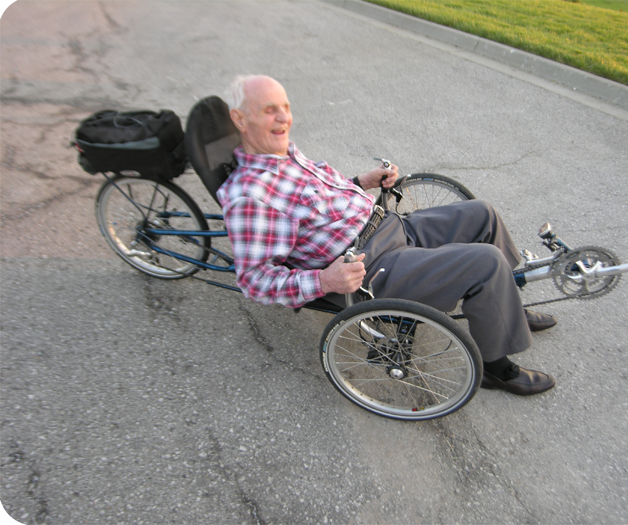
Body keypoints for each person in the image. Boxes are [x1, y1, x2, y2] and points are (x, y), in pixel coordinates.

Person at [217, 74, 557, 396]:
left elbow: (321, 201)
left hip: (391, 227)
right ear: (240, 119)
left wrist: (364, 182)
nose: (284, 118)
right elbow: (254, 280)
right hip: (375, 267)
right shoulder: (251, 196)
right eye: (269, 110)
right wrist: (324, 281)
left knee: (482, 213)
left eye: (285, 107)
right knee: (486, 263)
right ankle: (496, 368)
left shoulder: (284, 153)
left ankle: (507, 307)